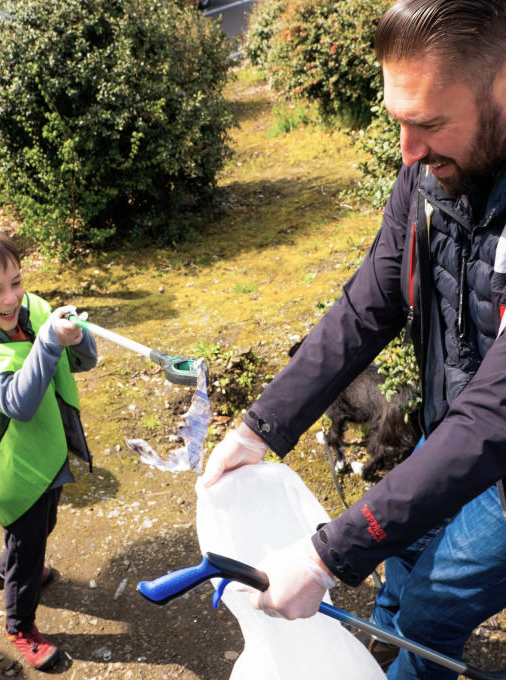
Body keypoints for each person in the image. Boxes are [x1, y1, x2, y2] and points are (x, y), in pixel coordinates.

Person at [202, 1, 506, 678]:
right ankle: (390, 643)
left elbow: (495, 418)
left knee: (432, 611)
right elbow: (370, 302)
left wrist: (323, 558)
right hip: (448, 426)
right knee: (400, 561)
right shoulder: (430, 174)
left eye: (428, 123)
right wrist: (261, 426)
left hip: (498, 462)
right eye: (399, 122)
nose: (409, 153)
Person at [0, 222, 97, 671]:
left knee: (41, 526)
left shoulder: (30, 311)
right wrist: (48, 341)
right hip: (16, 473)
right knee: (29, 544)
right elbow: (20, 403)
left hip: (45, 458)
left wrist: (75, 335)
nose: (11, 299)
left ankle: (3, 569)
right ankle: (19, 624)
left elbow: (81, 360)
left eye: (16, 283)